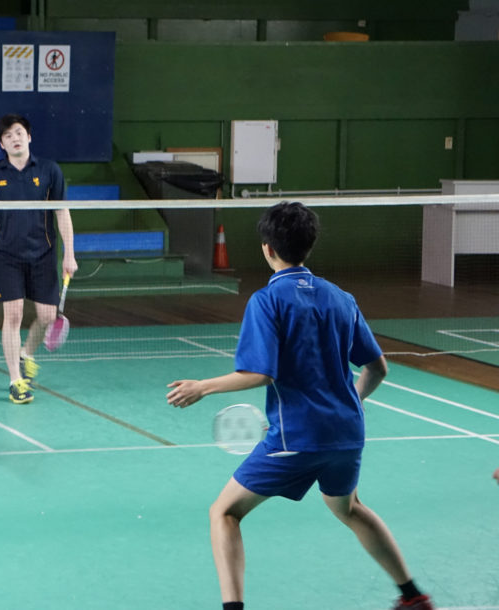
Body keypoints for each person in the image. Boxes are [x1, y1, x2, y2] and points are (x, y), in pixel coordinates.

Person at [166, 201, 433, 610]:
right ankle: (413, 596)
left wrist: (202, 387)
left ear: (267, 248)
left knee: (224, 512)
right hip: (347, 434)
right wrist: (351, 403)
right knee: (350, 508)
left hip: (297, 436)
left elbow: (259, 374)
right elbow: (377, 368)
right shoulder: (341, 298)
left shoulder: (267, 301)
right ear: (309, 246)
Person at [0, 114, 77, 404]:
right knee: (13, 315)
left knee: (46, 316)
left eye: (19, 133)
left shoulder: (50, 171)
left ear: (29, 137)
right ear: (2, 144)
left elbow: (62, 212)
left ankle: (27, 352)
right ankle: (16, 380)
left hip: (44, 253)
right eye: (8, 136)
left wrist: (70, 253)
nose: (14, 138)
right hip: (7, 256)